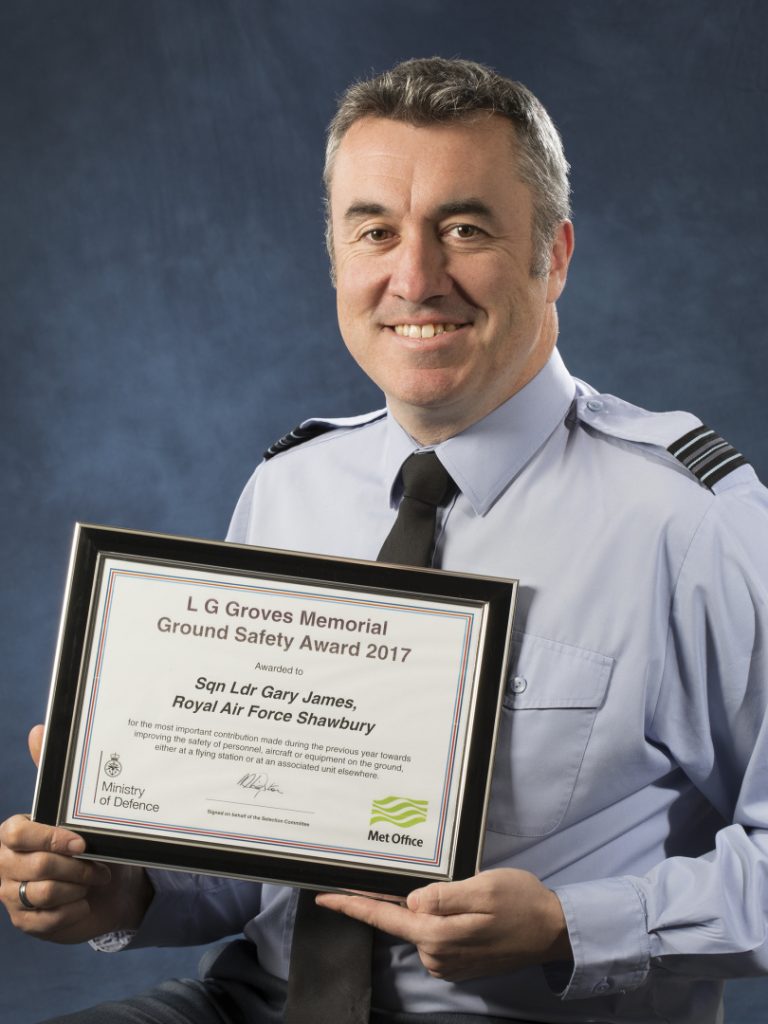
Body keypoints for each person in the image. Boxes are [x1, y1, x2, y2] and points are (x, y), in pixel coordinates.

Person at [1, 56, 767, 1024]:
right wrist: (125, 891)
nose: (416, 277)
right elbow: (255, 854)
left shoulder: (693, 522)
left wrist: (575, 923)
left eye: (464, 227)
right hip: (256, 1002)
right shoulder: (290, 487)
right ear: (337, 258)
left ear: (555, 254)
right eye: (375, 231)